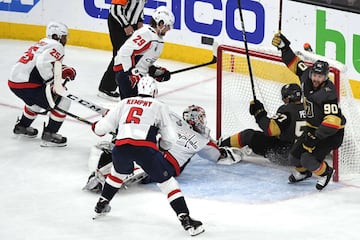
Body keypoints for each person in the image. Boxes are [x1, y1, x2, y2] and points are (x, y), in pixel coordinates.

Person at [91, 76, 205, 236]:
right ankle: (186, 220)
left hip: (121, 148)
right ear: (154, 91)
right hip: (146, 150)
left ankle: (102, 204)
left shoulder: (124, 103)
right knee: (167, 183)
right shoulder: (159, 106)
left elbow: (100, 129)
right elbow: (169, 138)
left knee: (117, 174)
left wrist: (96, 126)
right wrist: (162, 148)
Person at [84, 104, 241, 193]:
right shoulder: (202, 141)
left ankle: (108, 172)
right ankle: (109, 173)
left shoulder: (172, 118)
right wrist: (236, 153)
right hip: (163, 166)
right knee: (145, 161)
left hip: (153, 155)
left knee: (136, 156)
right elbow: (217, 155)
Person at [272, 33, 346, 190]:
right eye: (314, 74)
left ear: (325, 77)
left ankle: (326, 172)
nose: (316, 79)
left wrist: (315, 137)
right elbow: (294, 62)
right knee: (293, 157)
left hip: (331, 134)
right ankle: (304, 173)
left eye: (320, 76)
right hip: (313, 128)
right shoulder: (306, 77)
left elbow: (333, 123)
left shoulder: (329, 93)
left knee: (307, 158)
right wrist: (284, 48)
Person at [8, 21, 76, 147]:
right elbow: (42, 63)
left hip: (14, 82)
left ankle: (22, 126)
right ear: (56, 36)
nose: (66, 40)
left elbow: (44, 62)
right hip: (27, 83)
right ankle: (50, 134)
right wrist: (54, 83)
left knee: (36, 101)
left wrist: (63, 69)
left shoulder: (43, 42)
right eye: (64, 36)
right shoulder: (57, 46)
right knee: (63, 101)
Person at [218, 83, 306, 166]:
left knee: (248, 135)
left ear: (288, 98)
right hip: (303, 154)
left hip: (284, 155)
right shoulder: (309, 109)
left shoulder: (287, 110)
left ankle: (219, 147)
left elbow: (270, 130)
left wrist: (259, 113)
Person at [113, 5, 173, 99]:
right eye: (168, 26)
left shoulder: (157, 39)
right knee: (134, 106)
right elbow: (125, 52)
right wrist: (131, 73)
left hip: (137, 77)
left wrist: (155, 71)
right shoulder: (146, 34)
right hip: (127, 75)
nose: (169, 29)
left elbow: (142, 61)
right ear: (160, 23)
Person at [97, 0, 146, 101]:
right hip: (118, 24)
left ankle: (116, 85)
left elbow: (140, 6)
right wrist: (125, 25)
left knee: (126, 55)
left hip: (130, 24)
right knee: (120, 56)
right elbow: (115, 9)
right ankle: (106, 88)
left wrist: (140, 21)